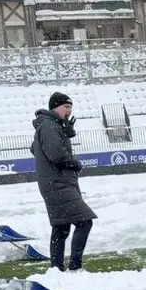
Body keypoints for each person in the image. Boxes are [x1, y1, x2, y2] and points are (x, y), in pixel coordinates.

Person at [31, 92, 97, 271]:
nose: (69, 111)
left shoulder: (50, 125)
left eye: (70, 107)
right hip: (57, 184)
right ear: (55, 107)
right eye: (66, 107)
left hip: (55, 183)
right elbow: (56, 154)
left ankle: (56, 270)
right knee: (84, 222)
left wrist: (65, 133)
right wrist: (74, 162)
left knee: (61, 228)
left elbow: (35, 148)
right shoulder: (48, 126)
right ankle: (75, 267)